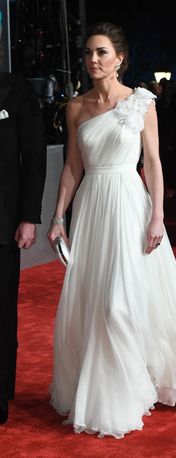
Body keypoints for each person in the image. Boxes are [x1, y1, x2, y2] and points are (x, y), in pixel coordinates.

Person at [48, 22, 176, 439]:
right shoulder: (75, 107)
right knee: (97, 302)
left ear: (120, 58)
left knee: (119, 303)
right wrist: (58, 217)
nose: (93, 59)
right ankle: (112, 392)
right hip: (92, 207)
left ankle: (126, 392)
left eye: (102, 52)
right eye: (89, 52)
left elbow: (153, 162)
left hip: (129, 205)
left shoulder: (141, 102)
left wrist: (158, 215)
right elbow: (73, 168)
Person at [0, 71, 46, 424]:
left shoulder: (17, 90)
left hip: (3, 223)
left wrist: (29, 216)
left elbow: (34, 157)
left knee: (1, 312)